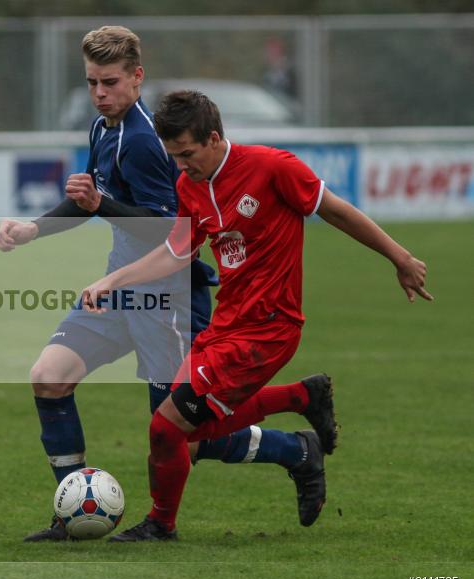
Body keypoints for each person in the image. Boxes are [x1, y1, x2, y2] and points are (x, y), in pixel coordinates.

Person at [0, 27, 333, 542]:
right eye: (91, 82)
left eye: (109, 82)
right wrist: (34, 229)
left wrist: (100, 208)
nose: (100, 92)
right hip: (118, 291)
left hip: (166, 298)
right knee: (49, 377)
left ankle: (296, 449)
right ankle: (71, 513)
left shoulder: (154, 144)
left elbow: (168, 233)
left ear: (137, 78)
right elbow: (94, 197)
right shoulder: (102, 128)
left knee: (182, 435)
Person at [80, 89, 432, 542]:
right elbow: (176, 252)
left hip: (268, 328)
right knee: (186, 433)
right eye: (174, 156)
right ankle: (301, 406)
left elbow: (337, 212)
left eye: (187, 153)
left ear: (213, 138)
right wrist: (113, 281)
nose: (182, 165)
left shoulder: (272, 167)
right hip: (225, 325)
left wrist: (399, 257)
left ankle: (161, 524)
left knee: (167, 427)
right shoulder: (190, 186)